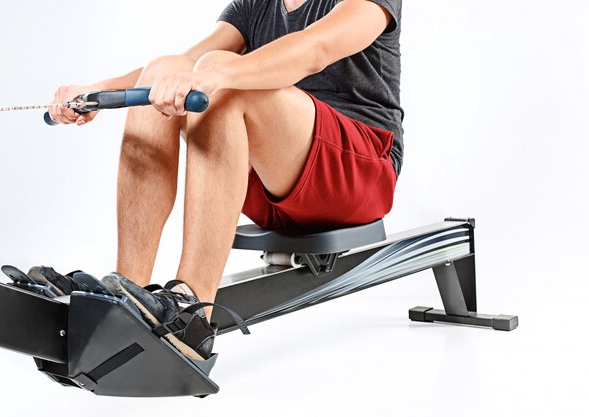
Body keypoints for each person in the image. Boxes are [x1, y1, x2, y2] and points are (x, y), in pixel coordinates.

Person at [44, 0, 404, 361]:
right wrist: (97, 91)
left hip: (358, 173)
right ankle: (126, 294)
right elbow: (183, 66)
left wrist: (218, 75)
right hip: (274, 183)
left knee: (224, 78)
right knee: (164, 71)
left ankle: (192, 315)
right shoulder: (255, 6)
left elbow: (315, 48)